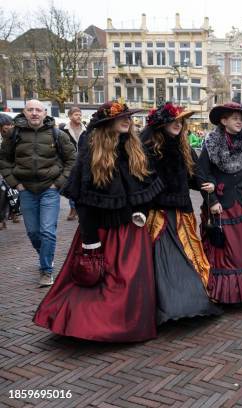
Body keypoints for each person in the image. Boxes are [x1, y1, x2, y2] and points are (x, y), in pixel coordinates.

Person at [33, 101, 163, 342]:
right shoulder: (92, 153)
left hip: (131, 231)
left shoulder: (136, 149)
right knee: (100, 282)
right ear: (106, 123)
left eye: (128, 117)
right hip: (102, 232)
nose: (127, 120)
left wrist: (142, 212)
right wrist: (90, 241)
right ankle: (91, 326)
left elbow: (148, 187)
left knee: (130, 282)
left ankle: (128, 325)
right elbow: (83, 200)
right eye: (121, 117)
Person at [142, 103, 222, 324]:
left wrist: (209, 193)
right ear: (162, 123)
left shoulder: (183, 145)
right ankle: (166, 307)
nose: (178, 125)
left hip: (182, 211)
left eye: (180, 121)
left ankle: (191, 300)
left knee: (188, 255)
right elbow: (144, 180)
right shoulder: (147, 146)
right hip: (158, 214)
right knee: (164, 259)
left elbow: (196, 175)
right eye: (173, 121)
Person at [0, 100, 76, 286]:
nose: (34, 113)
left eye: (38, 110)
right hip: (25, 190)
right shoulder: (13, 134)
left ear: (45, 113)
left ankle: (46, 270)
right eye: (30, 110)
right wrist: (15, 183)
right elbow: (4, 160)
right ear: (24, 112)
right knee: (34, 233)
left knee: (47, 231)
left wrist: (58, 183)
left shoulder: (57, 134)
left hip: (49, 190)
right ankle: (46, 256)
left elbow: (72, 159)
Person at [197, 102, 242, 304]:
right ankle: (224, 293)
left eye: (241, 118)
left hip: (239, 203)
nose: (239, 121)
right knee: (224, 249)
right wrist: (211, 201)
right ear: (223, 120)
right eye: (234, 118)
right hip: (220, 204)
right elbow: (202, 174)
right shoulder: (212, 143)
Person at [63, 107, 87, 221]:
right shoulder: (64, 130)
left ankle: (78, 208)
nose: (79, 116)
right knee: (72, 183)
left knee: (81, 184)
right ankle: (73, 209)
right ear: (70, 116)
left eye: (80, 114)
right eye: (76, 114)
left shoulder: (86, 129)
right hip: (69, 161)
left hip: (83, 161)